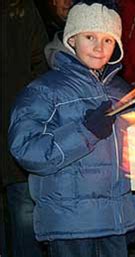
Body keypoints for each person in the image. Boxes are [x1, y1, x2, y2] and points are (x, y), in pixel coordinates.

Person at [8, 2, 135, 256]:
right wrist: (86, 132)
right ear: (72, 38)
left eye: (108, 40)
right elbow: (26, 149)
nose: (98, 47)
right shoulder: (45, 91)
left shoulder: (124, 94)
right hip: (69, 225)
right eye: (89, 37)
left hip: (115, 222)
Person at [1, 0, 49, 256]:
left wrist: (32, 114)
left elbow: (40, 64)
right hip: (18, 126)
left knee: (24, 211)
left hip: (17, 129)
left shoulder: (22, 9)